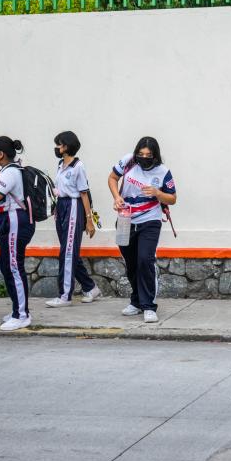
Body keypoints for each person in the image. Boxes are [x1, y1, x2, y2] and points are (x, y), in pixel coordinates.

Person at [107, 136, 177, 324]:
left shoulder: (163, 171)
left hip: (150, 220)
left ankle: (148, 306)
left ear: (155, 155)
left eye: (148, 155)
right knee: (131, 263)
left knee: (145, 260)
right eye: (141, 154)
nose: (144, 157)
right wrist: (116, 197)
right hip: (125, 219)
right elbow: (112, 178)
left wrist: (158, 193)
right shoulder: (129, 161)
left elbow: (172, 198)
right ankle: (136, 301)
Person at [45, 131, 100, 308]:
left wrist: (89, 220)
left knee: (67, 253)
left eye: (59, 144)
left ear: (67, 146)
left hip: (74, 206)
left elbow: (83, 194)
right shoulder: (60, 164)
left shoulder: (78, 166)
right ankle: (90, 288)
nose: (57, 148)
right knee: (68, 251)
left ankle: (64, 295)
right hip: (61, 207)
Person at [0, 136, 35, 332]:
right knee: (8, 267)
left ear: (1, 154)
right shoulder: (12, 170)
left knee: (14, 267)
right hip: (12, 221)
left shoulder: (9, 173)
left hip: (15, 221)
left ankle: (22, 315)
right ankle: (18, 309)